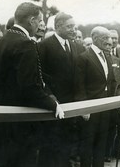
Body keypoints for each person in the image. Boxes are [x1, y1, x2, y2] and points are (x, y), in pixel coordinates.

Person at [0, 2, 64, 167]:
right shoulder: (26, 44)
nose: (39, 25)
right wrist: (52, 104)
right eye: (39, 21)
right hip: (20, 124)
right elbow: (29, 86)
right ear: (32, 20)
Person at [38, 12, 84, 167]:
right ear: (58, 26)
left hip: (71, 106)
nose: (73, 30)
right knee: (50, 148)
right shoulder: (44, 46)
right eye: (69, 26)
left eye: (74, 26)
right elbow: (40, 76)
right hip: (53, 106)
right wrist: (51, 98)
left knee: (66, 146)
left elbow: (78, 76)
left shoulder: (76, 46)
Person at [75, 26, 116, 167]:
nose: (108, 41)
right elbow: (79, 85)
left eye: (109, 37)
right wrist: (84, 108)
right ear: (94, 38)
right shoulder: (84, 58)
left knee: (101, 144)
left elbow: (109, 82)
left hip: (105, 108)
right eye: (105, 38)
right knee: (87, 145)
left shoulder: (107, 56)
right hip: (90, 109)